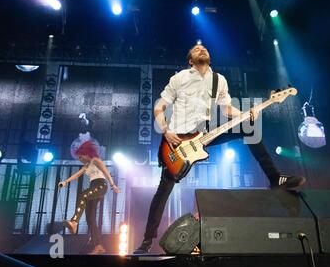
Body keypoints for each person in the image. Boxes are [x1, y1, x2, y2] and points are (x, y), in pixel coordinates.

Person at [134, 44, 305, 254]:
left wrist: (246, 113)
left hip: (203, 136)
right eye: (196, 49)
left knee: (249, 127)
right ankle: (147, 240)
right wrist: (166, 131)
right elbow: (158, 107)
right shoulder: (179, 78)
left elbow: (227, 109)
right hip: (177, 141)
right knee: (164, 191)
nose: (202, 49)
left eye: (204, 48)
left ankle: (275, 178)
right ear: (189, 60)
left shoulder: (219, 80)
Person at [60, 138, 120, 255]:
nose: (80, 160)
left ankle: (74, 222)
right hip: (94, 188)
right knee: (90, 219)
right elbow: (76, 175)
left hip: (101, 185)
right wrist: (65, 182)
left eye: (81, 157)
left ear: (86, 154)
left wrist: (113, 185)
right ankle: (98, 246)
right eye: (79, 159)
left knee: (84, 194)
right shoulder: (86, 166)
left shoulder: (95, 160)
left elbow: (106, 172)